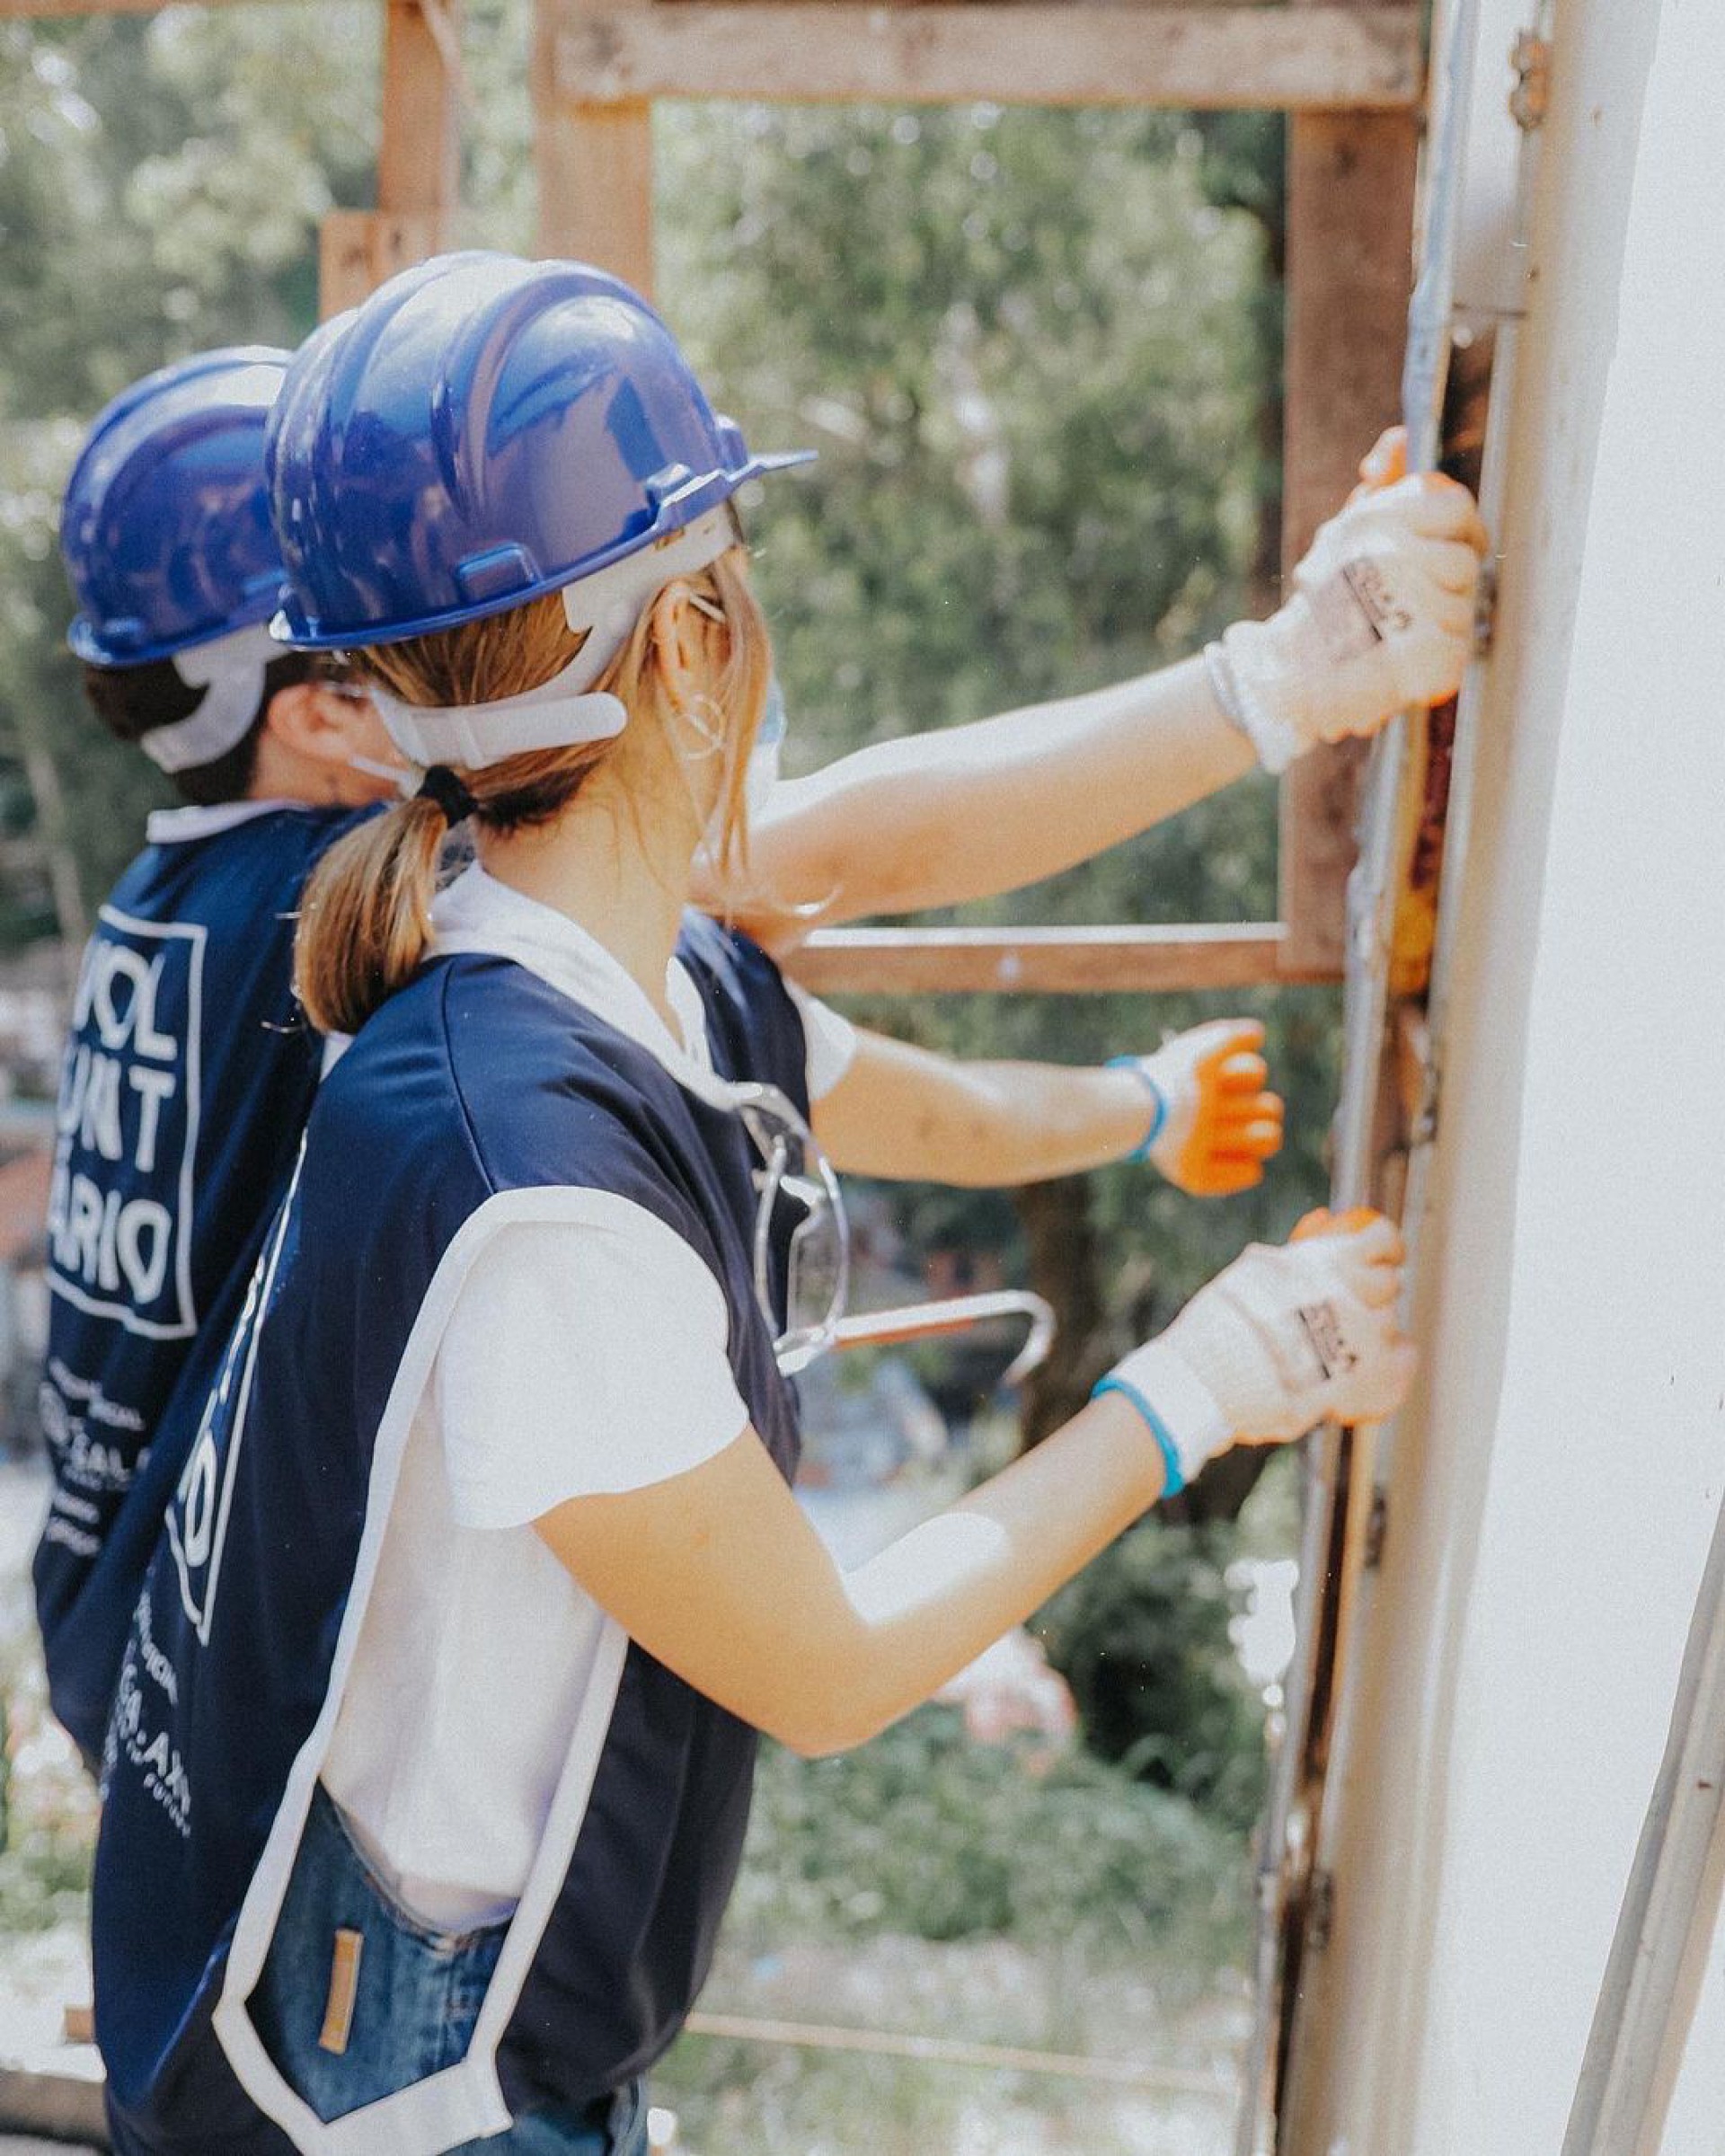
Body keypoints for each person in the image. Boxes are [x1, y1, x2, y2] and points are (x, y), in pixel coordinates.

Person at [89, 252, 1464, 2155]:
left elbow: (879, 894)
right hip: (408, 2090)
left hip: (374, 1992)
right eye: (731, 568)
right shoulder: (532, 1192)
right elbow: (826, 1666)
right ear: (680, 653)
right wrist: (1215, 1375)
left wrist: (1293, 683)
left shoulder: (504, 954)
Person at [35, 347, 404, 1764]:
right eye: (398, 631)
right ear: (314, 711)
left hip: (107, 1626)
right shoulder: (342, 905)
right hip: (209, 1687)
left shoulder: (161, 898)